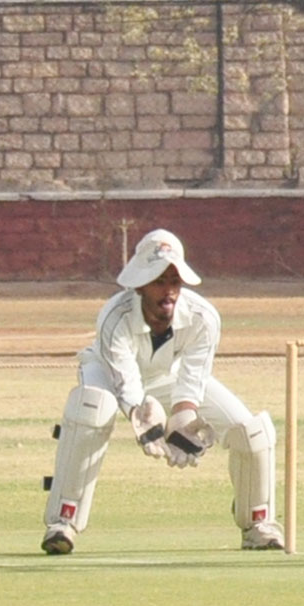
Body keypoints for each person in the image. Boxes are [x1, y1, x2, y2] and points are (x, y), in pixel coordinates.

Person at [41, 228, 285, 554]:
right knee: (93, 408)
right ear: (140, 285)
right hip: (108, 372)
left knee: (252, 432)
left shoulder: (203, 318)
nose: (168, 291)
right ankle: (63, 521)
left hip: (168, 377)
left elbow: (194, 377)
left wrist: (184, 416)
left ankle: (258, 523)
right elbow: (125, 379)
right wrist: (142, 415)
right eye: (159, 282)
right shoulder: (115, 317)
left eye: (174, 282)